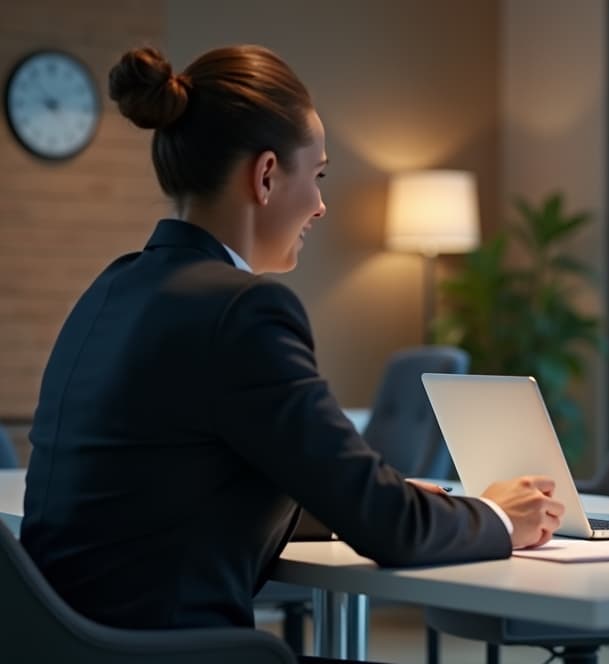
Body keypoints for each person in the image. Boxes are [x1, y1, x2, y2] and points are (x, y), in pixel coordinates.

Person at [20, 44, 564, 658]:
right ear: (268, 175)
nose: (322, 204)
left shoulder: (112, 289)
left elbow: (176, 489)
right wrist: (495, 515)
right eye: (320, 175)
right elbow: (389, 530)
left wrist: (367, 492)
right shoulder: (242, 312)